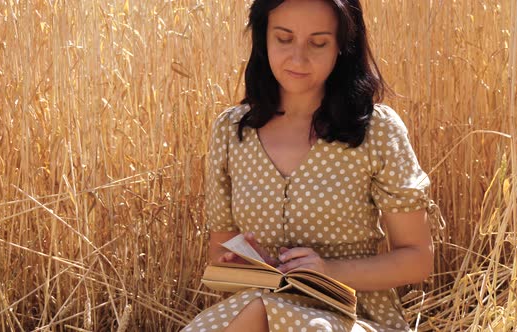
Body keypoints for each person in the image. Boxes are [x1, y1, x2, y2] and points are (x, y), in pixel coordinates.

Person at [183, 0, 442, 331]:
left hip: (354, 316)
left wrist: (328, 272)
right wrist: (245, 265)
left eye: (318, 43)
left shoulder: (377, 131)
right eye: (284, 39)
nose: (298, 58)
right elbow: (220, 258)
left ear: (341, 48)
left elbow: (417, 258)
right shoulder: (231, 131)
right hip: (256, 308)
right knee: (253, 311)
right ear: (263, 38)